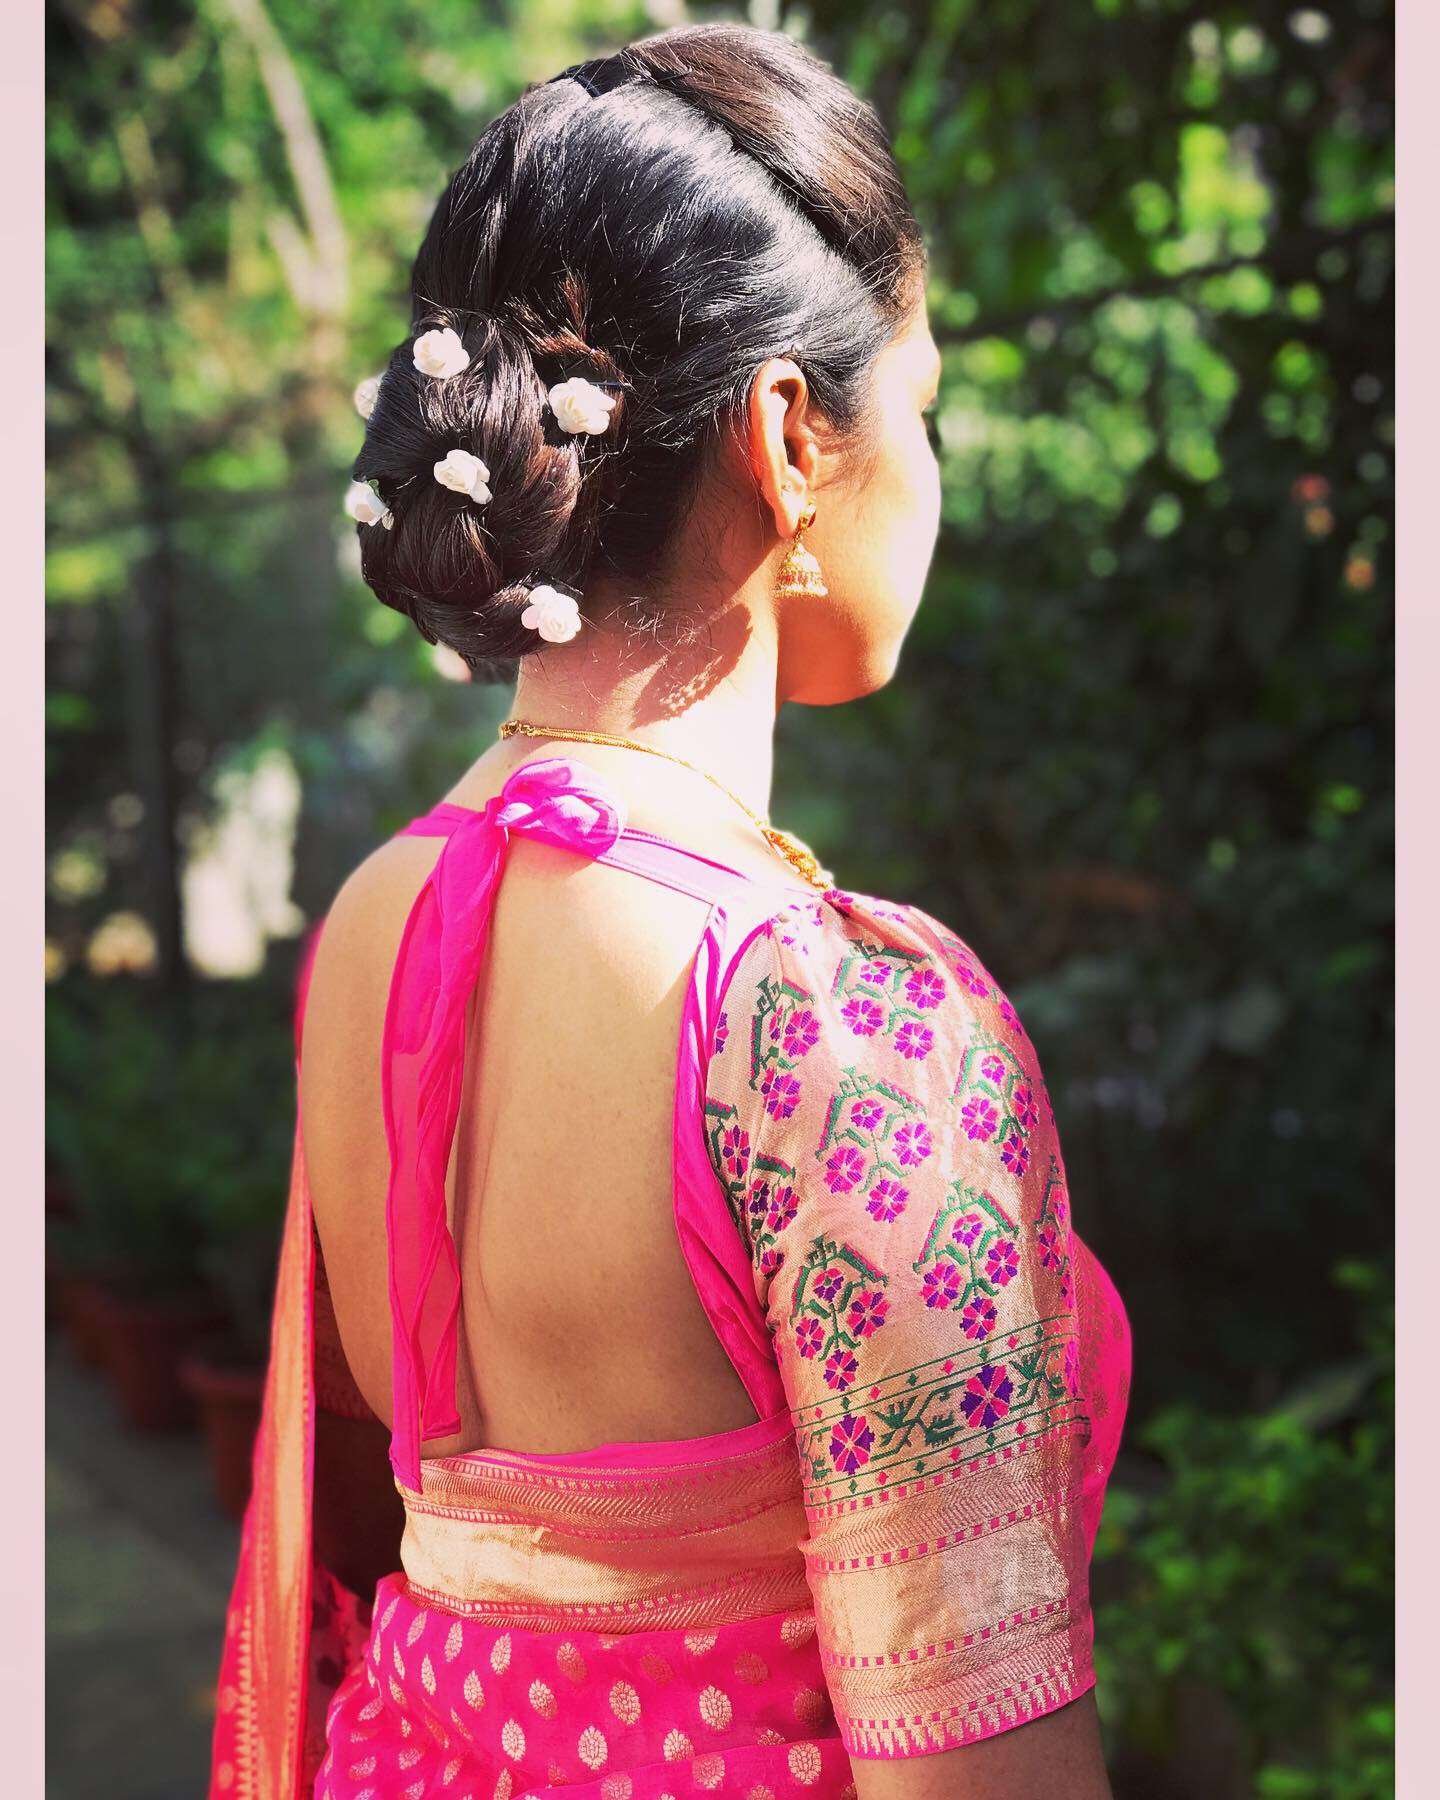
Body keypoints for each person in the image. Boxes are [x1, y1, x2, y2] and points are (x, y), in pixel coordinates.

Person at [208, 22, 1131, 1800]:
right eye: (922, 405)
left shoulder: (377, 925)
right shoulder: (839, 1021)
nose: (933, 470)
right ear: (790, 440)